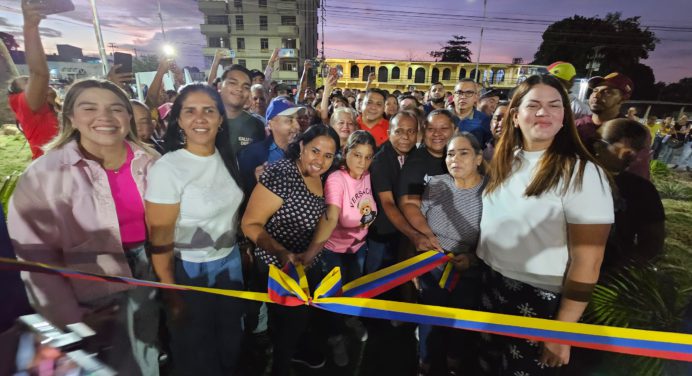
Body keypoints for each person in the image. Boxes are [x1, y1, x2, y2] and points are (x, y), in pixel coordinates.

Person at [9, 79, 160, 375]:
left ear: (128, 117)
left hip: (147, 271)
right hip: (87, 287)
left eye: (116, 109)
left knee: (146, 346)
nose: (104, 117)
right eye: (89, 108)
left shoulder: (151, 162)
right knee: (103, 359)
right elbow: (35, 261)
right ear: (71, 118)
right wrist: (70, 319)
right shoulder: (45, 175)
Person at [478, 74, 613, 375]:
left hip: (539, 299)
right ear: (514, 116)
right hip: (491, 284)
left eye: (554, 105)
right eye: (534, 105)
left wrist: (562, 331)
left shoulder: (582, 174)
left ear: (564, 117)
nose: (544, 112)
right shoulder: (507, 159)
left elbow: (589, 260)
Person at [145, 84, 245, 375]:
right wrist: (171, 290)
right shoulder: (169, 168)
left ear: (220, 119)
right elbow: (160, 236)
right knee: (196, 348)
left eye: (208, 111)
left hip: (230, 261)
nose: (200, 118)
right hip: (190, 270)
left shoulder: (226, 156)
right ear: (178, 120)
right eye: (190, 111)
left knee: (231, 337)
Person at [241, 125, 340, 376]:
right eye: (315, 151)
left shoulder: (325, 176)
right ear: (302, 146)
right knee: (289, 326)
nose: (320, 160)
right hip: (278, 269)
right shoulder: (282, 173)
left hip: (306, 264)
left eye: (328, 156)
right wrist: (282, 253)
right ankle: (279, 368)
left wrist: (309, 256)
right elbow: (250, 224)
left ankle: (290, 356)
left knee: (300, 323)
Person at [303, 130, 378, 367]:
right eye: (357, 155)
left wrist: (366, 219)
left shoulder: (365, 175)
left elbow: (368, 209)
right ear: (345, 153)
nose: (362, 162)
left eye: (368, 157)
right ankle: (335, 338)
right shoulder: (336, 179)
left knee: (354, 290)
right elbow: (337, 217)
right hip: (333, 250)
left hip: (358, 249)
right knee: (333, 299)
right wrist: (366, 219)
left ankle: (350, 321)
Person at [416, 133, 487, 376]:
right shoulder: (436, 183)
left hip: (469, 270)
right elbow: (419, 218)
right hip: (432, 267)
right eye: (450, 153)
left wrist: (473, 259)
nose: (454, 159)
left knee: (461, 321)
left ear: (478, 158)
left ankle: (453, 363)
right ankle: (424, 363)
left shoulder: (490, 191)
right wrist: (421, 246)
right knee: (429, 318)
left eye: (463, 152)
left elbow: (496, 237)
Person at [592, 119, 665, 272]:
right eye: (627, 151)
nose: (635, 157)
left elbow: (653, 240)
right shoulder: (570, 179)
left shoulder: (641, 189)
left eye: (639, 150)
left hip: (609, 280)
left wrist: (623, 270)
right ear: (599, 146)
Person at [368, 110, 425, 274]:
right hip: (383, 230)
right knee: (375, 274)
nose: (405, 137)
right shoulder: (380, 161)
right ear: (389, 133)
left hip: (409, 230)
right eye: (398, 131)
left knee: (402, 273)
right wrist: (413, 234)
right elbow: (387, 203)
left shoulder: (418, 155)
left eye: (411, 131)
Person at [398, 109, 456, 252]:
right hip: (428, 240)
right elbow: (410, 203)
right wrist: (429, 235)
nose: (437, 134)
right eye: (431, 129)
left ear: (455, 130)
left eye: (444, 128)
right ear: (423, 132)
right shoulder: (416, 162)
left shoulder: (463, 156)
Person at [7, 1, 59, 159]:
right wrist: (30, 27)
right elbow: (39, 74)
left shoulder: (56, 109)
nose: (36, 83)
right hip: (52, 176)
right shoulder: (28, 109)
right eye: (28, 83)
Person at [575, 72, 651, 180]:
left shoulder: (633, 132)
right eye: (595, 90)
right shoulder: (576, 126)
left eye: (607, 92)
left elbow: (638, 175)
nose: (596, 96)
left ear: (624, 98)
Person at [238, 96, 303, 196]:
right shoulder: (250, 154)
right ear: (270, 124)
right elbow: (242, 194)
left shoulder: (303, 152)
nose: (297, 126)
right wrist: (255, 182)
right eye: (290, 120)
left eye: (297, 119)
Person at [218, 64, 266, 155]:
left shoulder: (257, 126)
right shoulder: (206, 121)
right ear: (219, 86)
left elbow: (257, 160)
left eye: (246, 87)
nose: (239, 89)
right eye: (233, 83)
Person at [452, 79, 492, 148]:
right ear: (453, 97)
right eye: (459, 92)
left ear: (476, 97)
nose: (463, 96)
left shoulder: (484, 120)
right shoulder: (443, 117)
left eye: (469, 93)